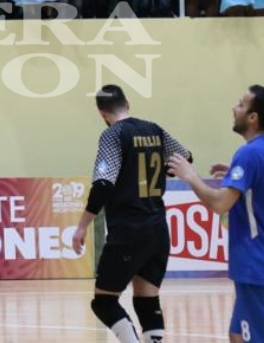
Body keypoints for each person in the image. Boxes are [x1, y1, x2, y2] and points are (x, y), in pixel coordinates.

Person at [167, 85, 264, 343]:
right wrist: (239, 171)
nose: (233, 107)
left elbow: (220, 203)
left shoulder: (249, 154)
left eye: (240, 104)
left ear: (253, 117)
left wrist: (190, 177)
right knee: (237, 334)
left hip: (257, 265)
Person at [70, 84, 192, 343]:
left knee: (103, 302)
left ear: (101, 113)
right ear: (127, 103)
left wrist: (81, 227)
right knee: (147, 299)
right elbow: (185, 157)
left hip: (128, 230)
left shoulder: (113, 135)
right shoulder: (154, 129)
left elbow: (103, 185)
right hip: (158, 229)